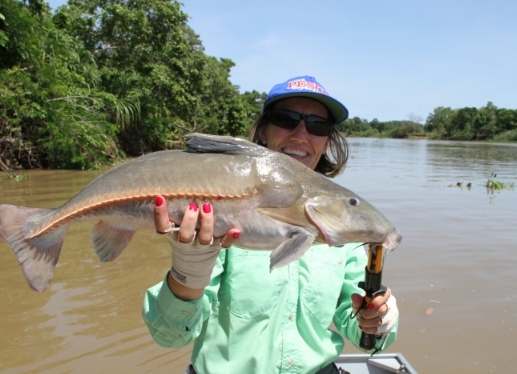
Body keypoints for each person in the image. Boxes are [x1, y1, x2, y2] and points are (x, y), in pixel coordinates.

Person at [143, 76, 399, 374]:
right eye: (285, 119)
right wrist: (187, 274)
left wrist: (377, 321)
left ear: (327, 140)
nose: (301, 135)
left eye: (317, 125)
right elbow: (170, 336)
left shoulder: (341, 223)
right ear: (263, 130)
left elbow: (361, 333)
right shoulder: (220, 208)